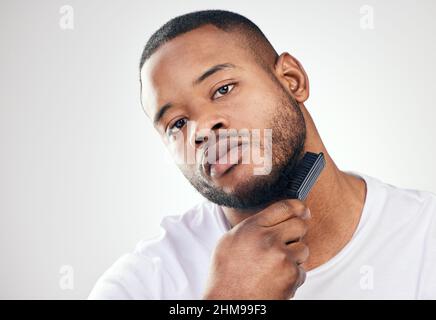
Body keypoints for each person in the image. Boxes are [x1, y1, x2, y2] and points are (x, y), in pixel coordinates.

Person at [89, 10, 436, 299]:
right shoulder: (138, 286)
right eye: (177, 123)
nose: (202, 129)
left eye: (222, 89)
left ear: (292, 79)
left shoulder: (426, 236)